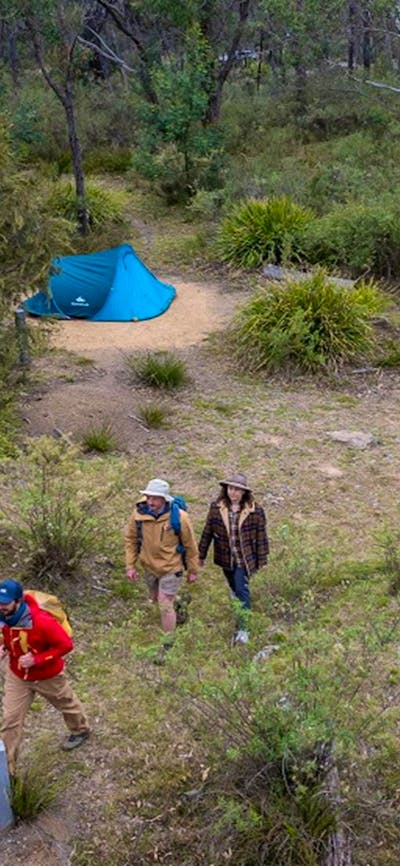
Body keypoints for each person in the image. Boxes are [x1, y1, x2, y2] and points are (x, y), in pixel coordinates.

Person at [0, 579, 90, 776]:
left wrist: (38, 659)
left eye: (5, 602)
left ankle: (81, 730)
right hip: (17, 675)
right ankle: (7, 773)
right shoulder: (4, 617)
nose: (1, 606)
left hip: (47, 675)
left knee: (67, 704)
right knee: (10, 720)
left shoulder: (42, 621)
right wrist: (4, 647)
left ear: (18, 601)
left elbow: (66, 645)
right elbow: (7, 636)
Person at [198, 472, 269, 645]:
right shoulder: (217, 508)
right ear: (226, 489)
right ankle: (236, 599)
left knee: (242, 590)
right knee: (234, 587)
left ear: (244, 492)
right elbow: (208, 532)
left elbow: (261, 536)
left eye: (237, 489)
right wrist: (201, 554)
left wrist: (262, 559)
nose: (233, 492)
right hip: (226, 557)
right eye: (231, 488)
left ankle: (243, 629)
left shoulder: (255, 510)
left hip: (245, 559)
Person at [124, 478, 198, 639]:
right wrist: (130, 566)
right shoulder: (138, 515)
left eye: (155, 498)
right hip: (149, 566)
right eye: (149, 497)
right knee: (157, 599)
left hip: (171, 568)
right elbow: (131, 539)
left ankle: (167, 642)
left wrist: (193, 570)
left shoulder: (180, 517)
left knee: (164, 605)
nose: (150, 501)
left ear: (164, 499)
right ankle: (179, 604)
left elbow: (190, 545)